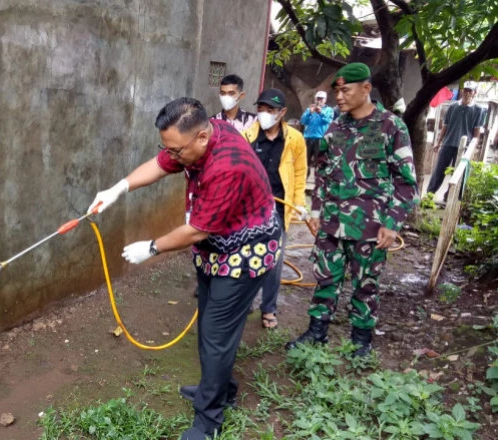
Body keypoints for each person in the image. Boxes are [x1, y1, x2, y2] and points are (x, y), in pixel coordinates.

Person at [88, 97, 281, 439]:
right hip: (216, 250)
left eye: (176, 150)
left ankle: (208, 422)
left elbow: (198, 229)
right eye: (169, 147)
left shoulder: (227, 167)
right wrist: (119, 188)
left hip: (245, 254)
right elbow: (161, 164)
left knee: (216, 335)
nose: (171, 155)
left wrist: (151, 247)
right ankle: (219, 388)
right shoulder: (198, 138)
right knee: (211, 327)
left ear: (202, 137)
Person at [285, 63, 418, 357]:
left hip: (370, 227)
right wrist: (317, 212)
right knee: (325, 278)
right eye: (337, 90)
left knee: (366, 284)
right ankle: (316, 333)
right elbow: (322, 173)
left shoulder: (390, 127)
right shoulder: (335, 127)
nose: (339, 96)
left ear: (366, 88)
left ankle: (361, 341)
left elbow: (406, 183)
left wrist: (392, 223)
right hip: (332, 223)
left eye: (346, 90)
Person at [241, 88, 308, 330]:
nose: (264, 114)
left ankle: (268, 308)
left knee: (274, 261)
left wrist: (299, 203)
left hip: (279, 209)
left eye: (270, 110)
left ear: (282, 113)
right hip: (249, 210)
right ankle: (245, 302)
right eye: (261, 109)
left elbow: (300, 173)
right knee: (246, 257)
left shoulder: (295, 140)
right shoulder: (247, 136)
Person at [426, 81, 485, 199]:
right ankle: (429, 195)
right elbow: (445, 127)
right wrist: (438, 142)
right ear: (462, 91)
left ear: (474, 93)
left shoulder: (479, 110)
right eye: (466, 90)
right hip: (448, 143)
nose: (467, 93)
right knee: (439, 171)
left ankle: (448, 198)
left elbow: (476, 132)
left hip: (464, 147)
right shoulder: (453, 107)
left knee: (457, 174)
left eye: (470, 91)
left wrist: (473, 148)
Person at [300, 91, 334, 177]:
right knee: (304, 162)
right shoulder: (310, 109)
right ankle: (303, 181)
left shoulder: (329, 110)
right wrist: (309, 113)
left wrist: (321, 113)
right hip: (308, 138)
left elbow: (329, 121)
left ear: (325, 100)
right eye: (318, 98)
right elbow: (303, 121)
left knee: (319, 162)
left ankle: (318, 183)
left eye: (321, 99)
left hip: (321, 139)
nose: (319, 101)